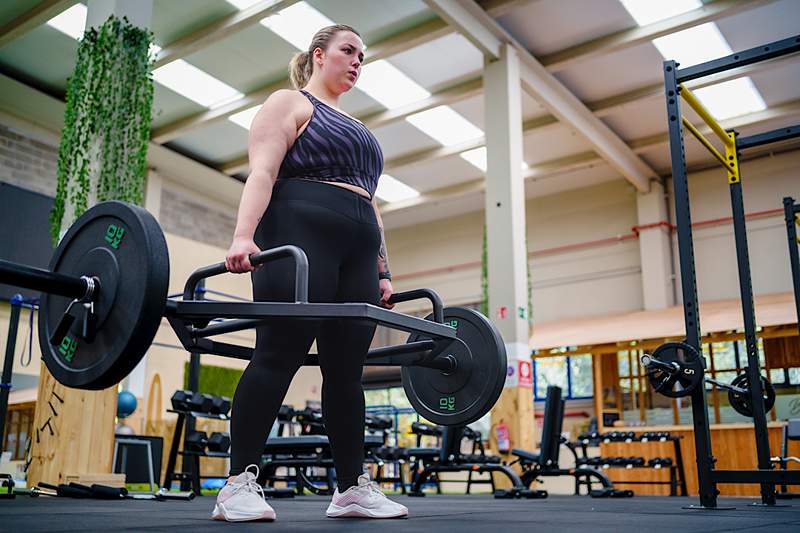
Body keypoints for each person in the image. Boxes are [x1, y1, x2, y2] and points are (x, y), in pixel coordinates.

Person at [211, 24, 408, 522]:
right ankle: (237, 484)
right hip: (298, 234)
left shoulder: (359, 128)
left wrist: (384, 270)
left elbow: (372, 204)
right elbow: (262, 172)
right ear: (319, 56)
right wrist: (242, 235)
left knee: (346, 372)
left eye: (363, 55)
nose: (357, 61)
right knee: (279, 352)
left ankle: (349, 489)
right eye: (348, 51)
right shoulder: (290, 104)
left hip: (357, 249)